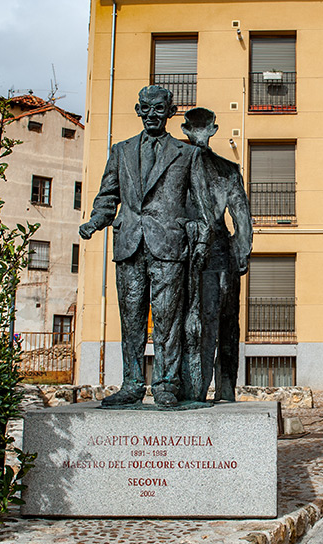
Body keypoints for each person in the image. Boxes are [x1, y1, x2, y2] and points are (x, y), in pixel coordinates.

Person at [79, 85, 211, 407]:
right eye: (146, 108)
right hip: (129, 244)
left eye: (159, 109)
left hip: (169, 246)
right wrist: (95, 221)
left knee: (168, 320)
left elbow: (203, 205)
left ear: (170, 112)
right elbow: (108, 195)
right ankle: (132, 384)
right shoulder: (120, 151)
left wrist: (202, 238)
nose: (152, 114)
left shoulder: (188, 154)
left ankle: (166, 385)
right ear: (138, 110)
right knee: (132, 320)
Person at [180, 107, 253, 402]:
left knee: (206, 321)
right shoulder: (226, 170)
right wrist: (241, 253)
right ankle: (218, 388)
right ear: (213, 129)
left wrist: (239, 253)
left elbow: (242, 219)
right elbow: (243, 221)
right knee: (220, 323)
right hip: (211, 251)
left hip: (200, 252)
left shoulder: (180, 166)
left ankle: (201, 389)